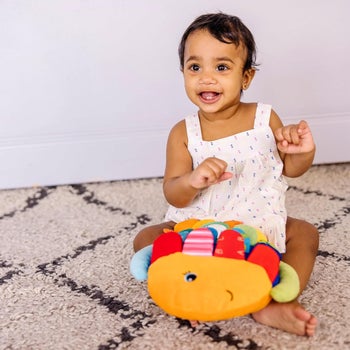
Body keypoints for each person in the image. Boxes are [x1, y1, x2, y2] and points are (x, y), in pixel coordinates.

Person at [133, 13, 319, 336]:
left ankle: (273, 301)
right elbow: (172, 192)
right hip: (198, 230)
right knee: (146, 238)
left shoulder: (265, 118)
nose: (207, 78)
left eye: (221, 67)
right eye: (195, 67)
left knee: (305, 234)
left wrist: (301, 154)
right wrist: (191, 181)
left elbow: (290, 170)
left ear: (246, 77)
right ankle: (190, 294)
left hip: (258, 225)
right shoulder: (183, 132)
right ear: (182, 73)